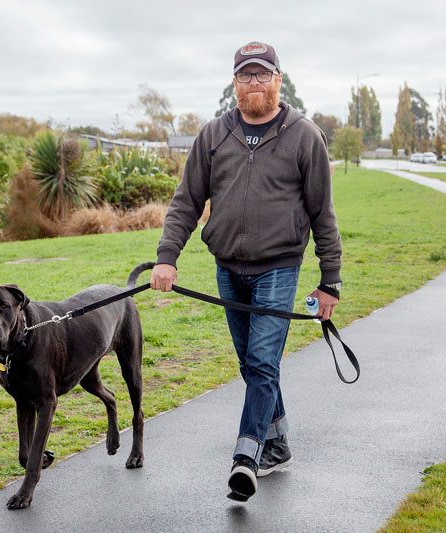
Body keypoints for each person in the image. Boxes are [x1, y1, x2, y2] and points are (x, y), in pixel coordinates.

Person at [149, 41, 342, 502]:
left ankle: (247, 457)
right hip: (227, 268)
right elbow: (186, 202)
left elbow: (323, 213)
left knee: (260, 363)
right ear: (234, 83)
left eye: (263, 74)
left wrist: (329, 280)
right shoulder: (214, 135)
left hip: (279, 266)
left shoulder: (303, 135)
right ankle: (278, 443)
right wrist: (166, 256)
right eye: (245, 76)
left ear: (279, 79)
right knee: (254, 365)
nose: (254, 83)